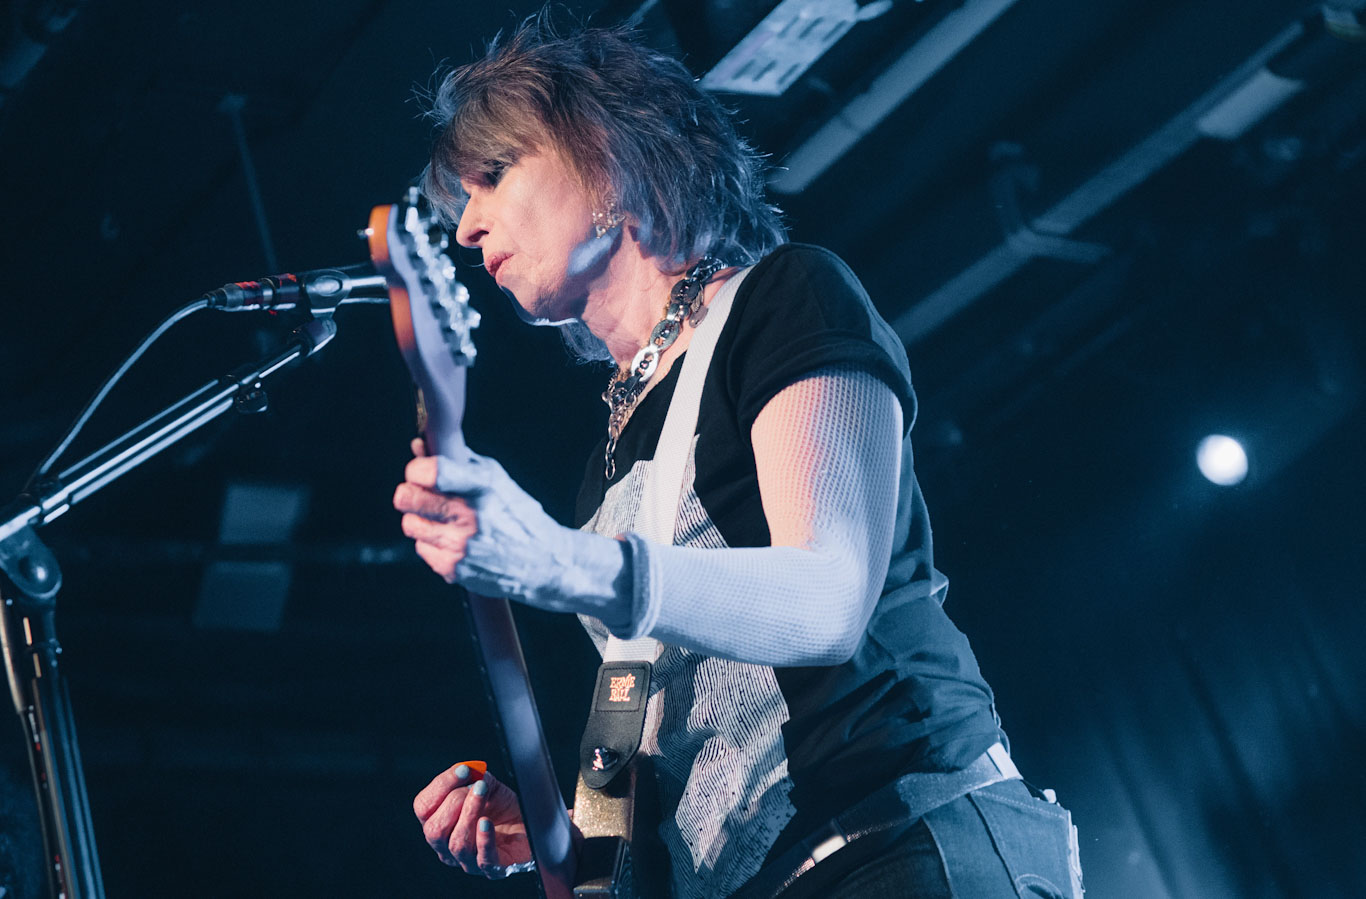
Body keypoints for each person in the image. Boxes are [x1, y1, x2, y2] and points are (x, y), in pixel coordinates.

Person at [392, 15, 1082, 899]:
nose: (468, 227)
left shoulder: (788, 297)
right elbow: (635, 726)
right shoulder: (602, 474)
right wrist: (564, 837)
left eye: (493, 176)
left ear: (604, 154)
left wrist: (562, 562)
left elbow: (827, 597)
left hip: (893, 840)